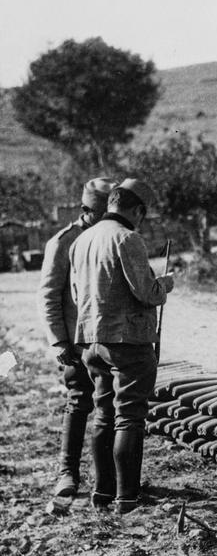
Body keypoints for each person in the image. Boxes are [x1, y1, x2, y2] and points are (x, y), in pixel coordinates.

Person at [70, 178, 174, 513]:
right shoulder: (128, 238)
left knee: (103, 415)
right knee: (129, 417)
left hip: (91, 343)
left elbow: (76, 296)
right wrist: (164, 284)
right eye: (143, 215)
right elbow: (146, 293)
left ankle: (103, 493)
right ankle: (127, 499)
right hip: (128, 343)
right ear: (138, 210)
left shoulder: (82, 240)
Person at [37, 177, 116, 497]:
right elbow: (48, 296)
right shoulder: (63, 242)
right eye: (102, 213)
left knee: (110, 408)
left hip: (108, 341)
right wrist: (59, 341)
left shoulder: (113, 237)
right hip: (76, 342)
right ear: (86, 210)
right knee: (79, 402)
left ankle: (108, 479)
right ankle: (67, 473)